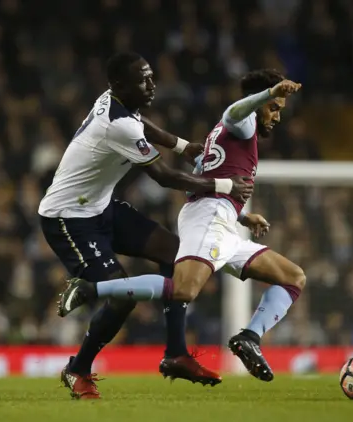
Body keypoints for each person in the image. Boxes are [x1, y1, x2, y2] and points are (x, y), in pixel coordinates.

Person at [58, 69, 307, 382]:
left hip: (221, 221)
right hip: (209, 219)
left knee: (292, 277)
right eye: (274, 108)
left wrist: (243, 217)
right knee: (183, 289)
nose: (277, 116)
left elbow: (198, 183)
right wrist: (268, 95)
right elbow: (236, 111)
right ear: (257, 102)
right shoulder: (241, 123)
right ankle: (90, 289)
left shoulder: (223, 140)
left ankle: (249, 338)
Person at [39, 51, 253, 399]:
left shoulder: (116, 103)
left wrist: (183, 145)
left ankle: (176, 354)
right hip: (68, 218)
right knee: (122, 295)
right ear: (121, 85)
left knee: (174, 253)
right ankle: (78, 369)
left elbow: (143, 124)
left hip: (100, 208)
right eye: (144, 79)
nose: (153, 84)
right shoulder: (117, 125)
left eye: (152, 76)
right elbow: (164, 178)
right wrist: (224, 185)